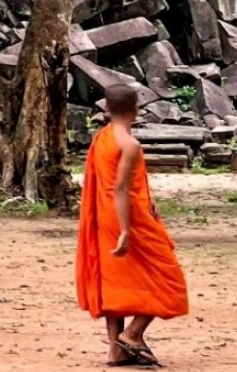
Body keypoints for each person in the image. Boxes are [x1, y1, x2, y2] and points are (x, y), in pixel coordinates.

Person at [75, 84, 189, 367]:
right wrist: (126, 229)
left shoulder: (102, 138)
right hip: (129, 220)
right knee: (168, 278)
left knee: (116, 283)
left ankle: (115, 350)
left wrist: (148, 199)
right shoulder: (129, 144)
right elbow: (121, 189)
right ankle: (133, 334)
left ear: (108, 109)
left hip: (105, 217)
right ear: (136, 109)